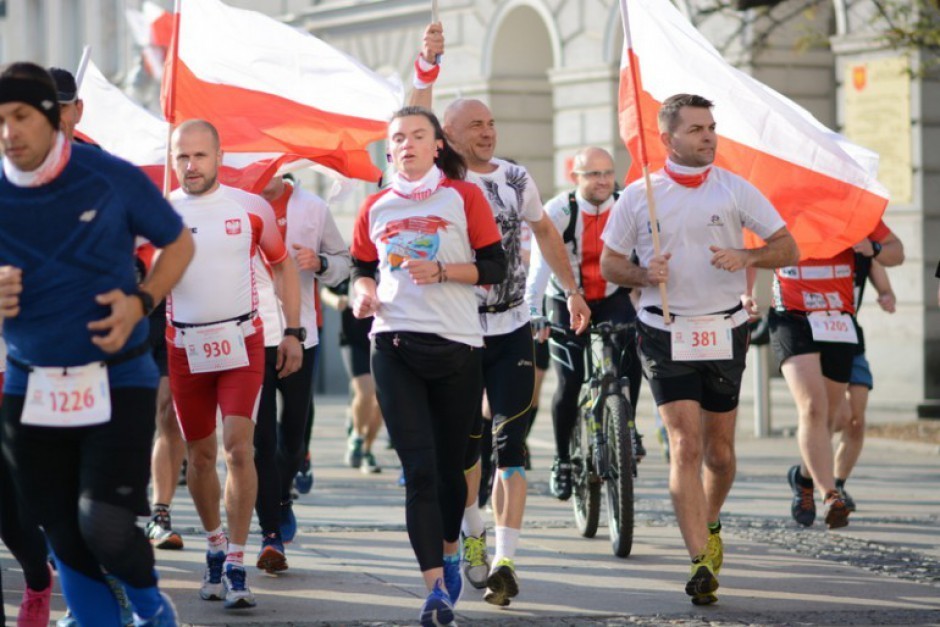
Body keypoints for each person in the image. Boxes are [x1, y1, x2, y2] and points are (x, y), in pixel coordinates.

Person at [0, 61, 194, 626]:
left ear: (56, 118)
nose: (9, 131)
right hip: (29, 382)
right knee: (59, 527)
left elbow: (178, 243)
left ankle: (153, 610)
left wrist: (143, 300)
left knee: (103, 525)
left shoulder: (109, 176)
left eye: (21, 116)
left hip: (118, 374)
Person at [411, 23, 591, 606]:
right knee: (467, 449)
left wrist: (574, 290)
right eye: (475, 127)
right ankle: (472, 536)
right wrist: (427, 67)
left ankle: (508, 557)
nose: (487, 133)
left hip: (512, 325)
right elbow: (414, 120)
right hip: (459, 331)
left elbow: (545, 231)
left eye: (491, 124)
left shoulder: (516, 177)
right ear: (449, 138)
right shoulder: (441, 179)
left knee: (511, 442)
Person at [600, 93, 799, 605]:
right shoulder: (639, 195)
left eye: (711, 127)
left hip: (724, 328)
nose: (708, 136)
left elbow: (787, 246)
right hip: (663, 328)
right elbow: (610, 265)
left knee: (721, 452)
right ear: (667, 139)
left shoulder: (734, 188)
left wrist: (745, 253)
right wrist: (645, 275)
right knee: (685, 445)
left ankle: (710, 523)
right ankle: (698, 563)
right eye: (696, 129)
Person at [350, 105, 506, 626]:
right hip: (393, 344)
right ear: (389, 149)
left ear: (437, 145)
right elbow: (362, 267)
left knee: (447, 471)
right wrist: (362, 293)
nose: (408, 144)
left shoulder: (464, 197)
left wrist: (442, 270)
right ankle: (435, 590)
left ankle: (452, 547)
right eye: (399, 137)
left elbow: (494, 268)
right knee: (417, 471)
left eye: (419, 135)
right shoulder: (374, 206)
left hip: (459, 345)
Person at [167, 119, 302, 610]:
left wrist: (292, 330)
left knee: (238, 450)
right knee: (199, 457)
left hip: (242, 342)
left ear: (219, 157)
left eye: (200, 156)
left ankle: (239, 561)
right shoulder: (160, 214)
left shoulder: (250, 209)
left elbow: (283, 264)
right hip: (186, 348)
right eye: (182, 156)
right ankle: (214, 546)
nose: (191, 165)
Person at [526, 146, 646, 501]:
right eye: (593, 174)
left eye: (607, 172)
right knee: (569, 379)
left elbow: (648, 252)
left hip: (611, 296)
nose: (602, 181)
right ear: (575, 177)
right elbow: (539, 265)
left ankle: (628, 425)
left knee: (631, 358)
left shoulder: (627, 204)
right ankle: (562, 460)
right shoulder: (560, 210)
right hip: (564, 298)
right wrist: (535, 311)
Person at [771, 216, 902, 530]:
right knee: (815, 409)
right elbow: (752, 247)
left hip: (841, 325)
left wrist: (874, 256)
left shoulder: (855, 214)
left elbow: (891, 255)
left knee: (842, 418)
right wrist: (745, 294)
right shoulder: (783, 209)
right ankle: (830, 493)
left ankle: (805, 478)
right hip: (795, 320)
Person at [252, 173, 350, 572]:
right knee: (260, 441)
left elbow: (343, 264)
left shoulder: (313, 207)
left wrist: (322, 262)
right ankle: (270, 534)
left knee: (293, 437)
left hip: (300, 335)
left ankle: (282, 495)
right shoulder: (238, 202)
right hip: (251, 334)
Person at [832, 258, 897, 511]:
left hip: (850, 337)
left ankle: (837, 486)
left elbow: (885, 285)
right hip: (815, 340)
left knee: (856, 422)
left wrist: (887, 297)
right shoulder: (819, 241)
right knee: (836, 419)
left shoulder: (864, 248)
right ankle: (806, 476)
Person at [321, 280, 385, 474]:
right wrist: (337, 300)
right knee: (365, 392)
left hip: (383, 337)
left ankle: (367, 449)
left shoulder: (392, 259)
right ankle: (356, 437)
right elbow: (326, 291)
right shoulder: (355, 260)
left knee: (382, 399)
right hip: (352, 338)